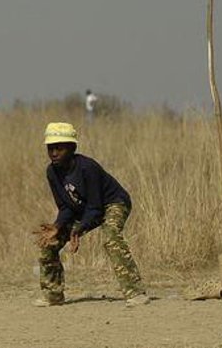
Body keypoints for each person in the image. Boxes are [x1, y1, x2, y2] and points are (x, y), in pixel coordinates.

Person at [34, 122, 148, 307]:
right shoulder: (52, 172)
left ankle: (135, 292)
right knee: (49, 242)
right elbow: (66, 207)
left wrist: (78, 230)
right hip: (85, 209)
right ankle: (53, 295)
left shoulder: (88, 168)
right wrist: (57, 226)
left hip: (112, 203)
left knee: (111, 237)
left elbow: (96, 208)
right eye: (50, 148)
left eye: (59, 148)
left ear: (72, 148)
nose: (54, 152)